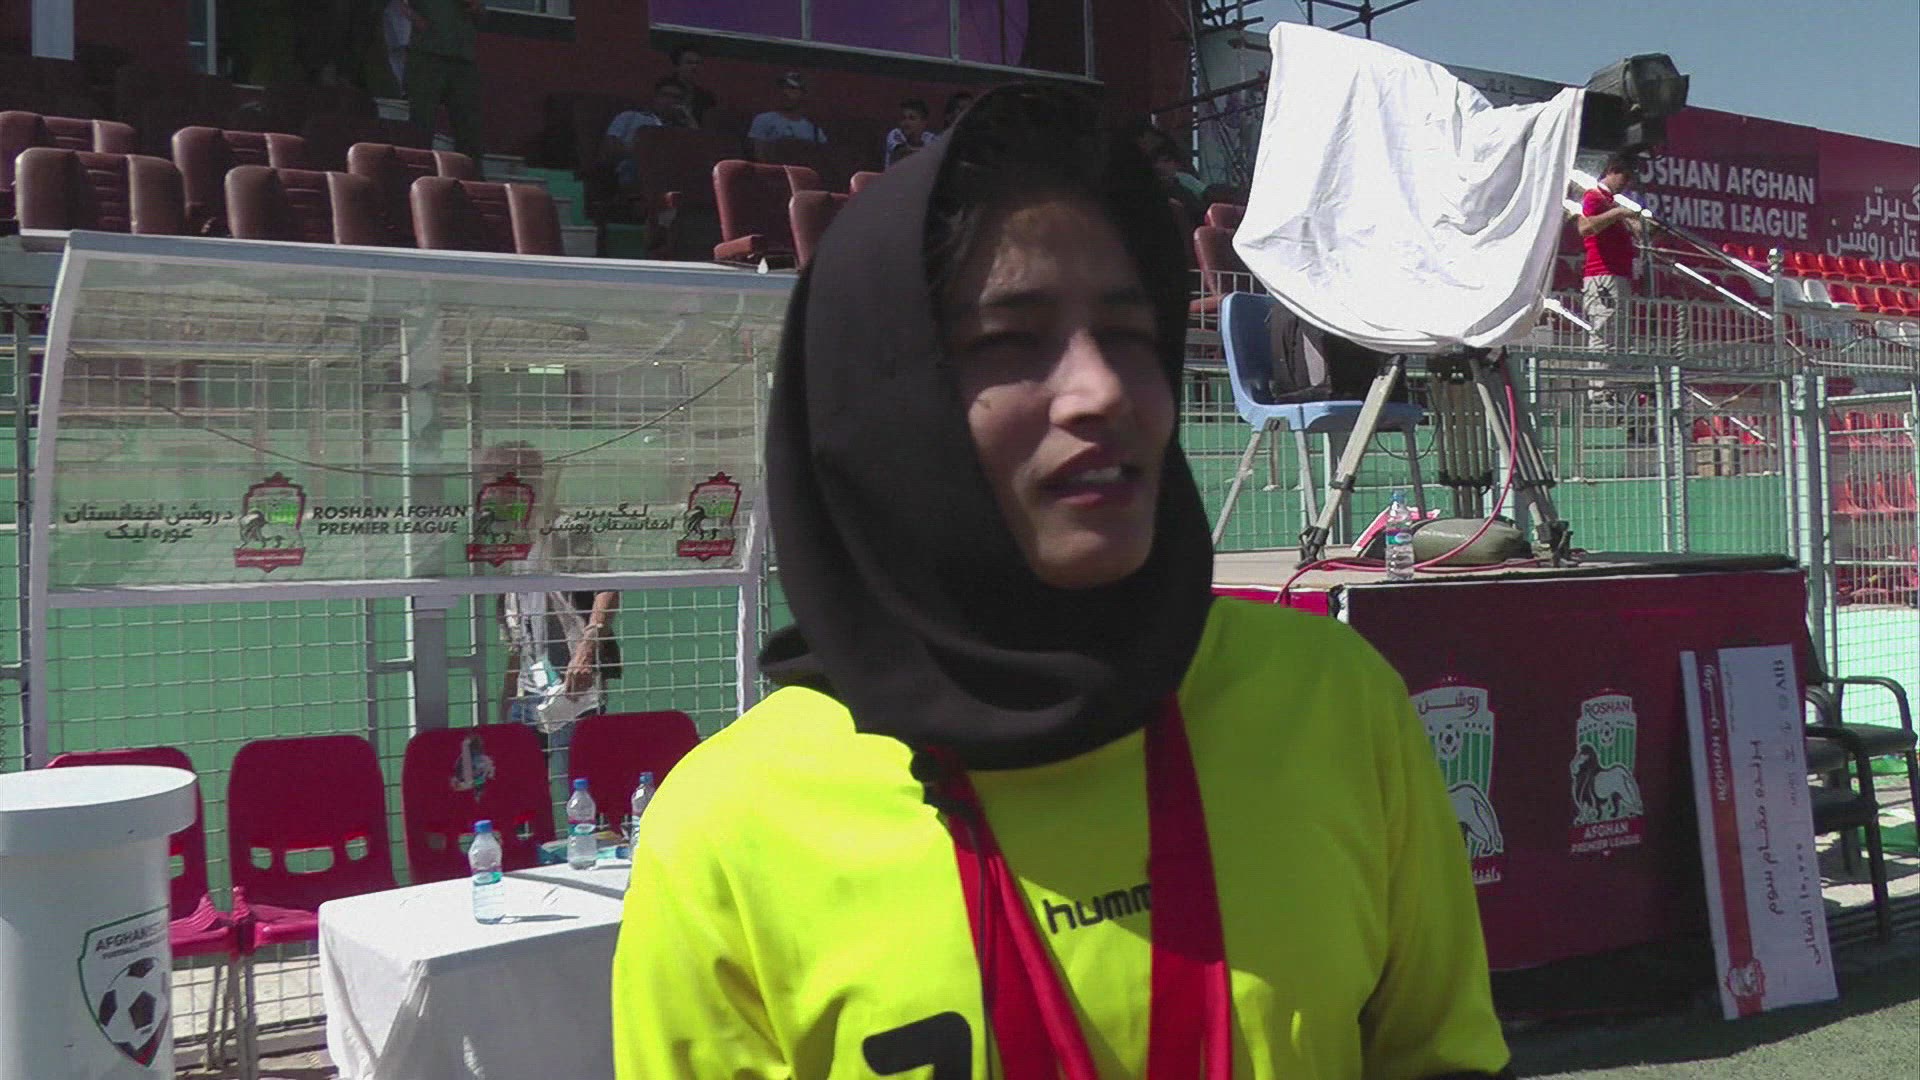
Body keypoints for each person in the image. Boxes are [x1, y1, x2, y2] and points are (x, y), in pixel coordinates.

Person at [612, 84, 1510, 1079]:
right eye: (1010, 341)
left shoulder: (1334, 703)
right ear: (882, 402)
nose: (1104, 391)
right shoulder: (729, 833)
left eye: (1128, 334)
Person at [481, 443, 621, 777]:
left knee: (576, 779)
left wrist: (585, 652)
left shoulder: (563, 529)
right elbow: (518, 622)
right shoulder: (507, 538)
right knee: (520, 781)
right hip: (528, 686)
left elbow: (607, 586)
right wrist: (508, 691)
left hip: (572, 688)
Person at [1578, 154, 1646, 357]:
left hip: (1618, 274)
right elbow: (1585, 227)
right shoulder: (1594, 196)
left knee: (1617, 335)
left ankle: (1612, 376)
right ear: (1612, 172)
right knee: (1605, 334)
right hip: (1603, 275)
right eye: (1625, 177)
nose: (1626, 184)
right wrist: (1618, 214)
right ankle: (1600, 377)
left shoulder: (1612, 202)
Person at [399, 0, 484, 160]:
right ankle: (417, 168)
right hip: (426, 56)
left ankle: (469, 171)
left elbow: (480, 14)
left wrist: (476, 7)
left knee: (469, 125)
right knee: (421, 123)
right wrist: (413, 17)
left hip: (463, 58)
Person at [603, 75, 696, 185]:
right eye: (665, 95)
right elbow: (610, 149)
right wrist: (642, 151)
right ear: (655, 97)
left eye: (676, 98)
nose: (669, 101)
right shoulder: (629, 117)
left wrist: (689, 119)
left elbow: (697, 149)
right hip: (633, 169)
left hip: (669, 172)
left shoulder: (682, 128)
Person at [748, 71, 828, 159]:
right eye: (783, 87)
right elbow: (759, 155)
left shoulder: (814, 131)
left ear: (804, 94)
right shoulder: (763, 120)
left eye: (792, 88)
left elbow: (820, 159)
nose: (785, 92)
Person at [668, 44, 719, 126]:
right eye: (689, 63)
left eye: (697, 63)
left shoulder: (706, 97)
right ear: (677, 66)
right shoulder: (666, 91)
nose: (694, 67)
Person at [884, 98, 933, 167]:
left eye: (912, 118)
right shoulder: (895, 134)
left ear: (923, 123)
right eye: (903, 118)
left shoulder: (930, 138)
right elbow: (903, 155)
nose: (906, 122)